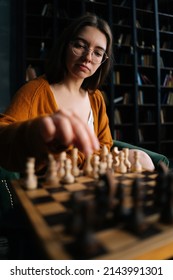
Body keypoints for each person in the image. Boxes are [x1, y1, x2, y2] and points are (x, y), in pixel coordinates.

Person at [0, 13, 155, 174]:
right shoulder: (34, 92)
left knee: (143, 159)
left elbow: (105, 144)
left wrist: (83, 161)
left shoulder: (96, 98)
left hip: (90, 177)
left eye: (97, 53)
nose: (87, 57)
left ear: (103, 60)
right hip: (52, 184)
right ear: (65, 46)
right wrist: (35, 132)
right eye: (80, 46)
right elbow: (3, 141)